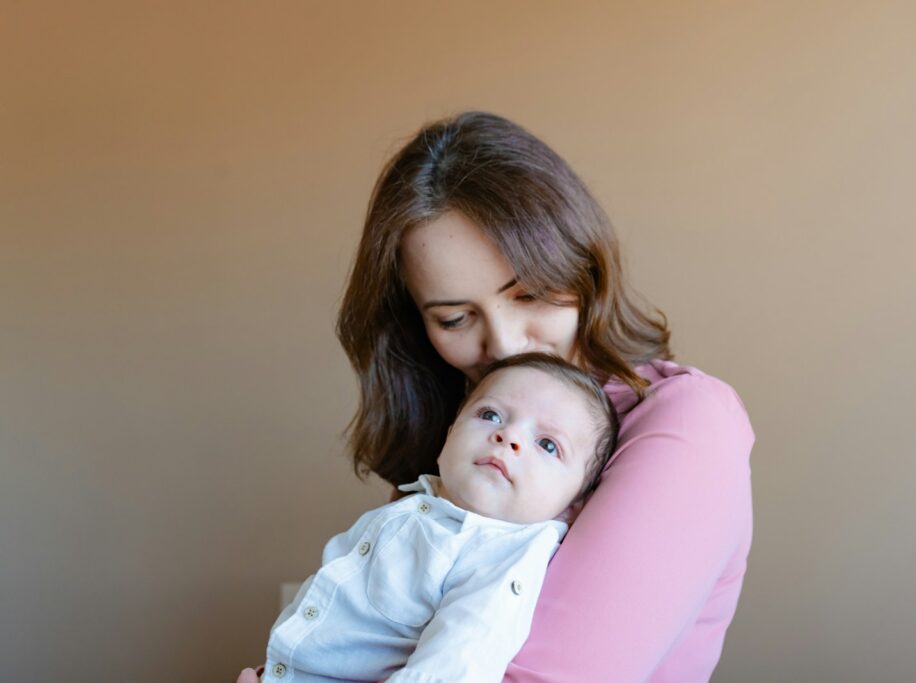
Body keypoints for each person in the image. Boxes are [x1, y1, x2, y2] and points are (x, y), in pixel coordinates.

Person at [238, 111, 754, 683]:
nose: (505, 345)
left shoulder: (687, 422)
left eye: (530, 294)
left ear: (582, 265)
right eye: (455, 318)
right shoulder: (468, 445)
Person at [259, 353, 619, 683]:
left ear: (573, 506)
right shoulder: (420, 505)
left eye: (547, 444)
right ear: (450, 435)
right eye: (490, 415)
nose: (508, 436)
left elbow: (458, 657)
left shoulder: (504, 555)